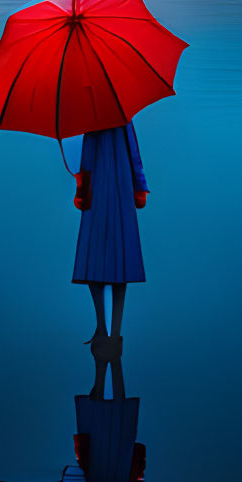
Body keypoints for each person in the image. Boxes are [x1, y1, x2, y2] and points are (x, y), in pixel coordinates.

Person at [72, 120, 148, 351]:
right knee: (120, 260)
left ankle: (104, 328)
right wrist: (140, 186)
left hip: (99, 192)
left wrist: (81, 191)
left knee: (94, 259)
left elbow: (86, 159)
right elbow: (134, 153)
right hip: (121, 188)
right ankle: (113, 332)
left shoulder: (90, 118)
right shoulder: (123, 117)